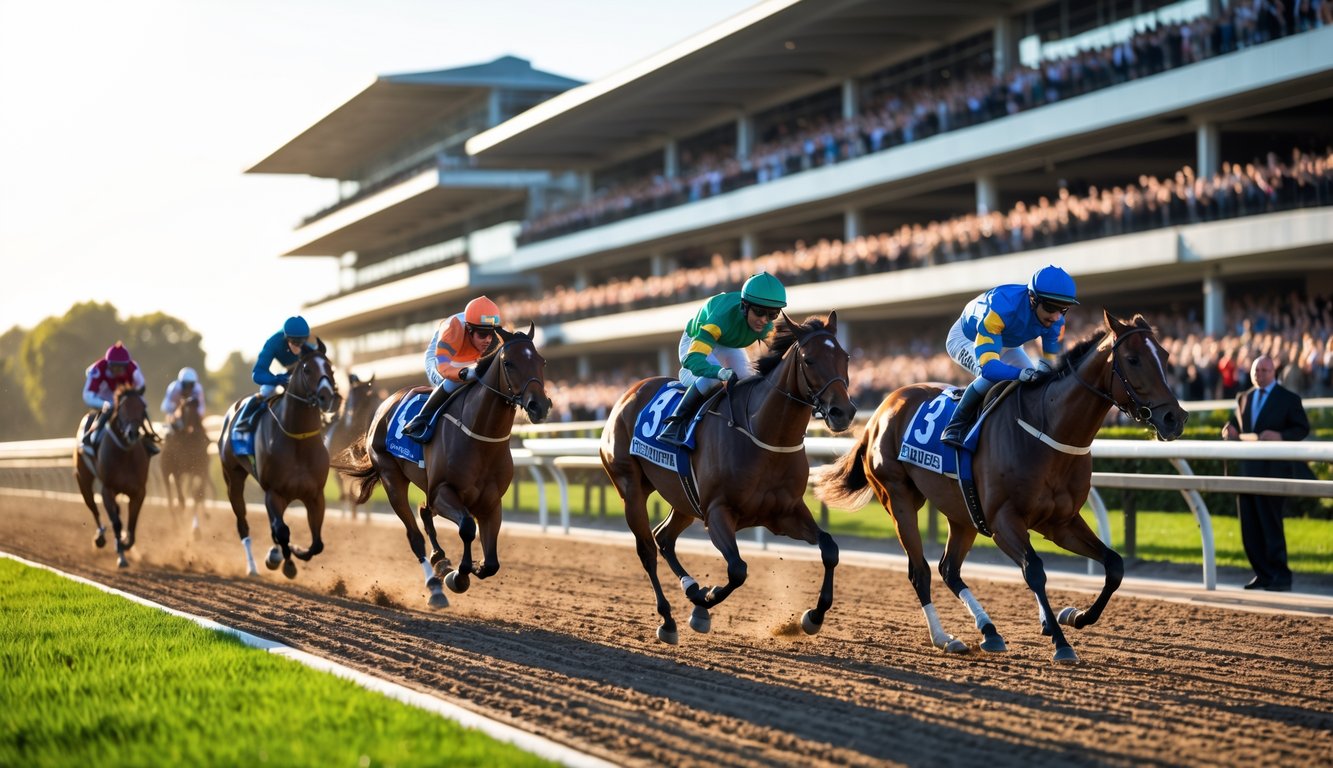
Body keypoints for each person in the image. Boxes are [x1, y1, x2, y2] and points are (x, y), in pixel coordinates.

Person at [940, 264, 1078, 448]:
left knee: (1034, 384)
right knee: (991, 379)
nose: (1056, 317)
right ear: (1032, 299)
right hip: (968, 338)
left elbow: (1049, 363)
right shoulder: (1001, 307)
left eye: (1063, 309)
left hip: (1005, 342)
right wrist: (1020, 374)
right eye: (1051, 307)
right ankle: (956, 424)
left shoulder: (1056, 319)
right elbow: (989, 368)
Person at [658, 272, 786, 447]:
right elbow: (693, 359)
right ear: (745, 306)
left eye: (773, 314)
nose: (764, 320)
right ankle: (675, 424)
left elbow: (786, 352)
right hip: (697, 339)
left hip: (729, 344)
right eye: (759, 312)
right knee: (712, 379)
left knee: (748, 378)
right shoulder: (719, 320)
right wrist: (719, 372)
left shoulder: (766, 325)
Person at [1221, 354, 1310, 592]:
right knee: (1249, 528)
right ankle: (1262, 574)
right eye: (1256, 370)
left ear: (1274, 372)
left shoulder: (1288, 398)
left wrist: (1280, 436)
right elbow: (1237, 427)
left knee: (1271, 525)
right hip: (1247, 471)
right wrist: (1229, 431)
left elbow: (1302, 428)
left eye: (1264, 370)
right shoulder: (1243, 397)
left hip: (1273, 472)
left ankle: (1281, 576)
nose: (1259, 374)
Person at [402, 296, 503, 442]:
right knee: (452, 382)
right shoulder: (453, 330)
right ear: (469, 329)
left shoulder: (497, 336)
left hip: (473, 359)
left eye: (491, 334)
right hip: (445, 359)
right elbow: (443, 368)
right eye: (482, 334)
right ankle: (420, 421)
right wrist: (462, 373)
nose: (488, 339)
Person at [231, 316, 312, 436]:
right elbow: (257, 373)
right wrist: (277, 379)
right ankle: (243, 423)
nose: (299, 347)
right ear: (287, 339)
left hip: (297, 373)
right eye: (295, 342)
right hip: (278, 375)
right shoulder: (273, 343)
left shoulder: (310, 347)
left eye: (302, 342)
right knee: (266, 390)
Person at [81, 341, 156, 456]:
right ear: (108, 364)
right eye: (115, 367)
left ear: (127, 365)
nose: (118, 370)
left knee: (142, 410)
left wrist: (133, 401)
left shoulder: (133, 368)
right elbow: (87, 395)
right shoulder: (97, 369)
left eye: (122, 367)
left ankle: (149, 438)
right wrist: (104, 404)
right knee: (101, 412)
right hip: (104, 401)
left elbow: (141, 387)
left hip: (124, 400)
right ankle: (88, 439)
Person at [160, 366, 206, 432]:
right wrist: (174, 416)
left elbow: (201, 407)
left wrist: (198, 418)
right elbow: (167, 407)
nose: (188, 388)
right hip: (175, 412)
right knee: (170, 428)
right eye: (186, 385)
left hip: (193, 415)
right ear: (181, 383)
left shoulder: (198, 389)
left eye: (191, 385)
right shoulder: (174, 388)